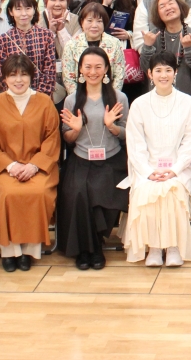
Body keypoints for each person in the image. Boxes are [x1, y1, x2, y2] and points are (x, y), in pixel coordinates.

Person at [0, 53, 61, 272]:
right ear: (4, 78)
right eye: (13, 75)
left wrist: (34, 165)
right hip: (5, 169)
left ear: (31, 77)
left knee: (38, 193)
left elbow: (52, 139)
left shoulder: (44, 102)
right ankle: (9, 251)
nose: (18, 80)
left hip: (39, 168)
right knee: (8, 194)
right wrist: (11, 166)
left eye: (23, 75)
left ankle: (29, 251)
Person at [120, 51, 191, 266]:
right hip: (146, 168)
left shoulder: (187, 103)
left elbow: (190, 141)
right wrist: (148, 171)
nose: (163, 75)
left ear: (175, 73)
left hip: (179, 167)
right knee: (147, 191)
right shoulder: (139, 104)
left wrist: (174, 169)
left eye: (168, 70)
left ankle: (173, 247)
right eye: (158, 70)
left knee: (172, 190)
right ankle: (154, 248)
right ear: (149, 74)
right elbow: (135, 144)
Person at [58, 47, 129, 270]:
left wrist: (112, 127)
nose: (93, 71)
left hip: (112, 160)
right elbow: (67, 138)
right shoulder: (71, 100)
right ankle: (85, 250)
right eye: (87, 67)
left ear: (106, 69)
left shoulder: (119, 98)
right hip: (80, 159)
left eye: (98, 67)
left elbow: (128, 134)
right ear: (80, 69)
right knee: (78, 192)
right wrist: (76, 130)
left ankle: (96, 246)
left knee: (101, 191)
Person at [140, 0, 191, 107]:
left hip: (187, 100)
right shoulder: (153, 36)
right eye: (162, 6)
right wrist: (147, 47)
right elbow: (146, 69)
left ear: (180, 6)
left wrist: (189, 48)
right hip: (158, 101)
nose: (168, 8)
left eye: (171, 3)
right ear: (157, 13)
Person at [0, 0, 57, 97]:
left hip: (42, 97)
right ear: (11, 11)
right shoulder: (3, 40)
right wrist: (18, 94)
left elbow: (50, 70)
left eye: (28, 8)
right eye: (18, 9)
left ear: (34, 9)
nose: (23, 14)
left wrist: (38, 97)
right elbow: (3, 74)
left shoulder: (46, 35)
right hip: (15, 96)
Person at [62, 2, 126, 96]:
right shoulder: (71, 45)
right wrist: (79, 98)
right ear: (82, 22)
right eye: (90, 20)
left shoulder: (115, 43)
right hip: (79, 97)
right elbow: (68, 78)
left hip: (109, 96)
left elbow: (119, 76)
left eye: (99, 21)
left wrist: (111, 97)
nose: (94, 25)